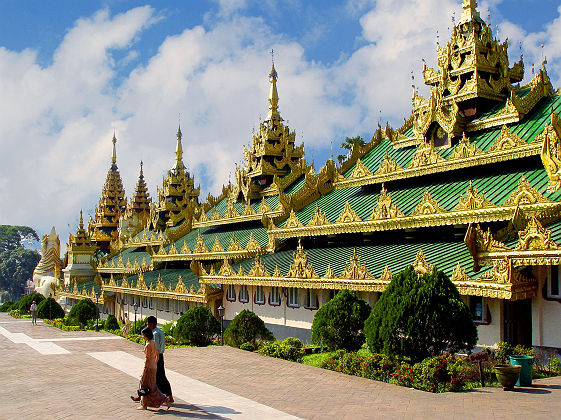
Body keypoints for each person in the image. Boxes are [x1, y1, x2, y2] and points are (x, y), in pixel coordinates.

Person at [132, 327, 170, 410]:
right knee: (152, 386)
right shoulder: (153, 343)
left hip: (148, 366)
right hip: (154, 366)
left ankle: (144, 404)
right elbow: (157, 355)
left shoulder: (148, 344)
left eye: (143, 335)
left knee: (144, 385)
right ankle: (164, 399)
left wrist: (145, 369)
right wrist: (155, 363)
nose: (142, 337)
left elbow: (147, 357)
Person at [146, 316, 173, 403]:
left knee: (159, 377)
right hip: (160, 356)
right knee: (158, 377)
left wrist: (153, 359)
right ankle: (161, 396)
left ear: (151, 324)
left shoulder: (154, 334)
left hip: (156, 357)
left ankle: (168, 396)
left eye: (147, 324)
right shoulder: (160, 331)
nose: (147, 326)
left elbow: (155, 348)